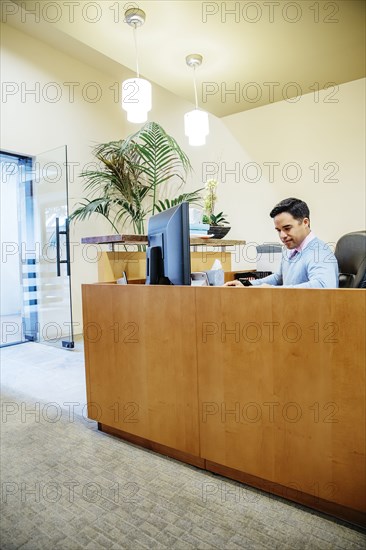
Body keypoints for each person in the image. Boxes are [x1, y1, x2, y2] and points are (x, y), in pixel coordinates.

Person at [225, 197, 339, 288]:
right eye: (278, 230)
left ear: (305, 223)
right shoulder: (290, 249)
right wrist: (247, 284)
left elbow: (324, 286)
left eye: (287, 228)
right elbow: (278, 278)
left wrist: (275, 290)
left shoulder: (320, 252)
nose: (282, 236)